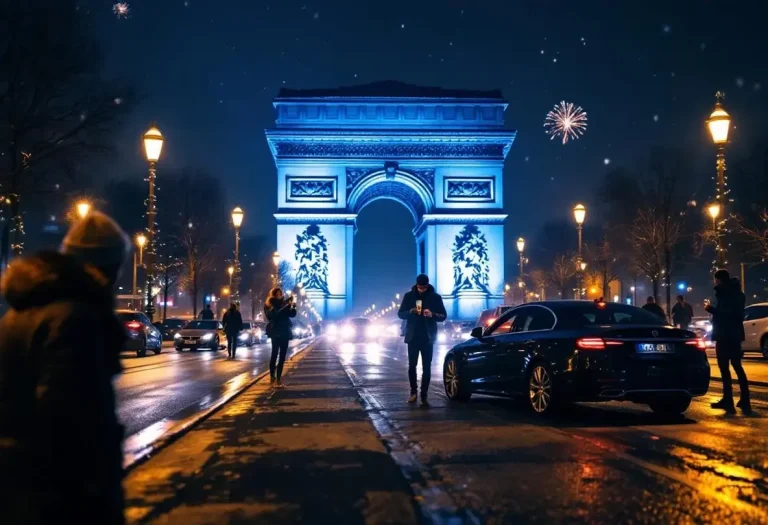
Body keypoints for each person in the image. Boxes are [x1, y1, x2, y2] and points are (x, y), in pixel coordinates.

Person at [0, 211, 130, 524]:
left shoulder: (15, 316)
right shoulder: (76, 319)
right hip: (62, 496)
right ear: (110, 268)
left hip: (15, 484)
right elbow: (70, 418)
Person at [397, 274, 447, 407]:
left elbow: (443, 316)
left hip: (428, 337)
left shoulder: (435, 297)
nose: (422, 290)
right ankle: (413, 392)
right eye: (420, 287)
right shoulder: (409, 296)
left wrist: (432, 314)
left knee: (427, 368)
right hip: (413, 337)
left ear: (428, 285)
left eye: (424, 288)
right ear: (416, 285)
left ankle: (424, 396)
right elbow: (400, 314)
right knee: (412, 366)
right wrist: (410, 311)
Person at [706, 270, 750, 414]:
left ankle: (728, 399)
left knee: (724, 368)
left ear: (719, 280)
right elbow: (736, 314)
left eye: (715, 279)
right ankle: (745, 398)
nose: (715, 282)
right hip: (735, 334)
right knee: (737, 366)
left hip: (724, 334)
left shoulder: (724, 293)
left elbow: (725, 314)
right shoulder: (738, 293)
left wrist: (711, 309)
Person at [264, 288, 296, 387]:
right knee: (274, 355)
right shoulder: (269, 304)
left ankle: (278, 379)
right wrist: (286, 306)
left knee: (282, 357)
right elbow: (273, 316)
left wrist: (293, 307)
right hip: (275, 332)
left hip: (285, 332)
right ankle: (272, 377)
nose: (280, 295)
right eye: (278, 293)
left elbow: (292, 315)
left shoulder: (284, 304)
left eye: (280, 293)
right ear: (273, 294)